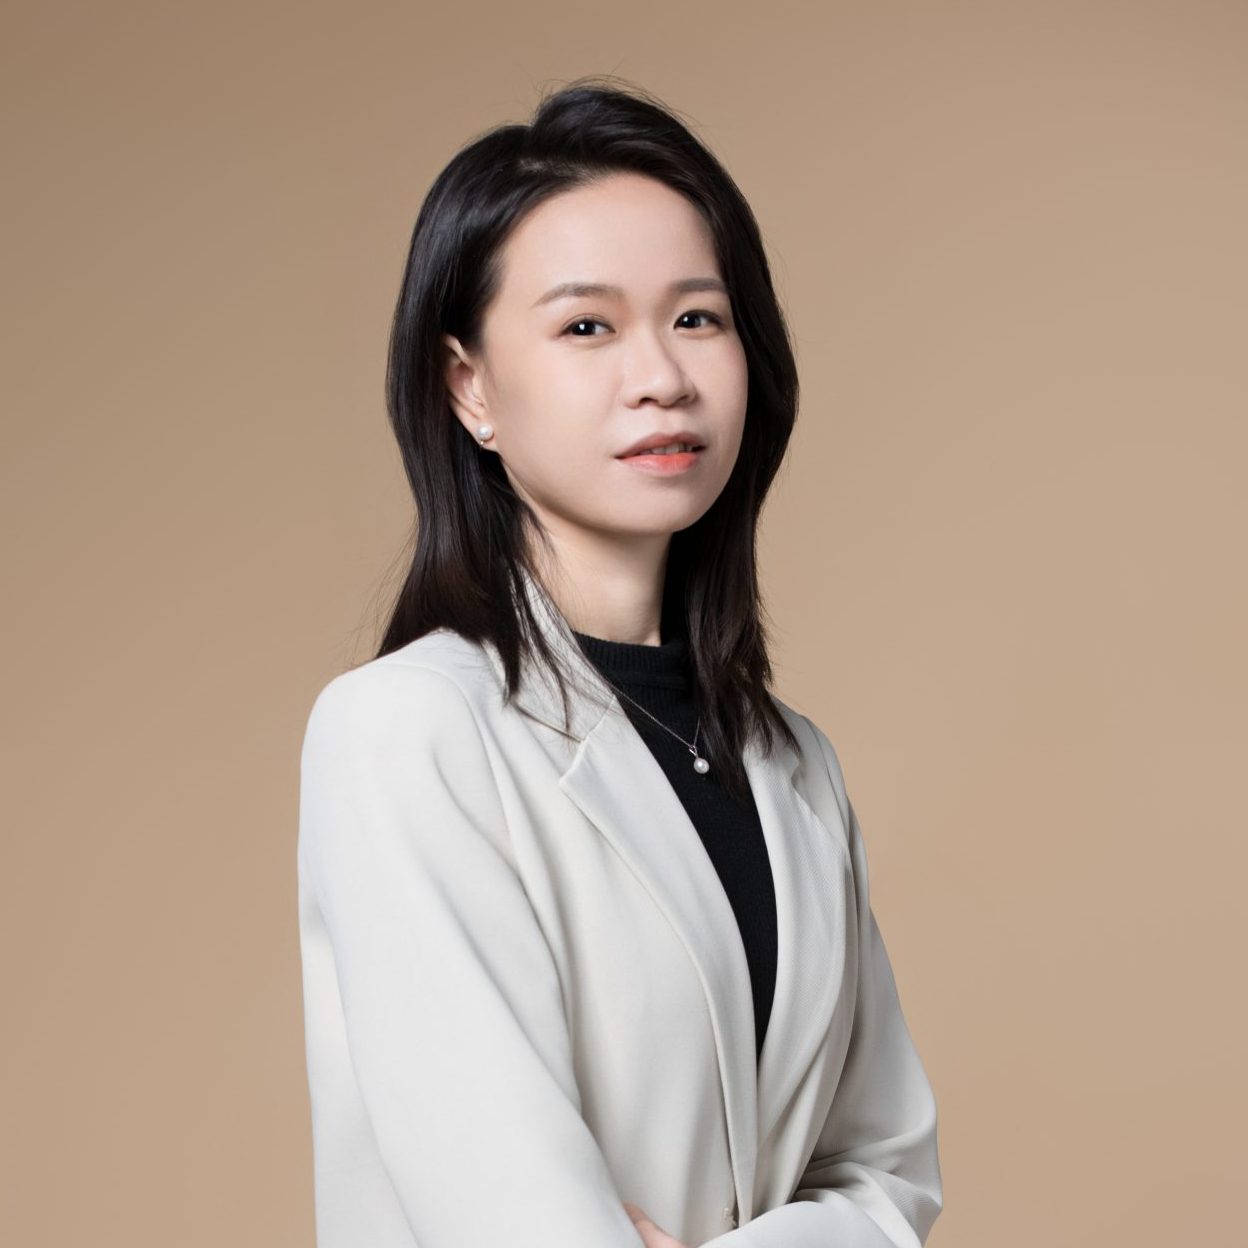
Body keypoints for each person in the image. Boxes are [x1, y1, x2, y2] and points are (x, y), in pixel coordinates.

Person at [297, 77, 944, 1248]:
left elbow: (889, 1178)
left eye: (698, 318)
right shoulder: (406, 730)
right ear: (470, 389)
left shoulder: (793, 765)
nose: (662, 376)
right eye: (587, 327)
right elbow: (503, 1210)